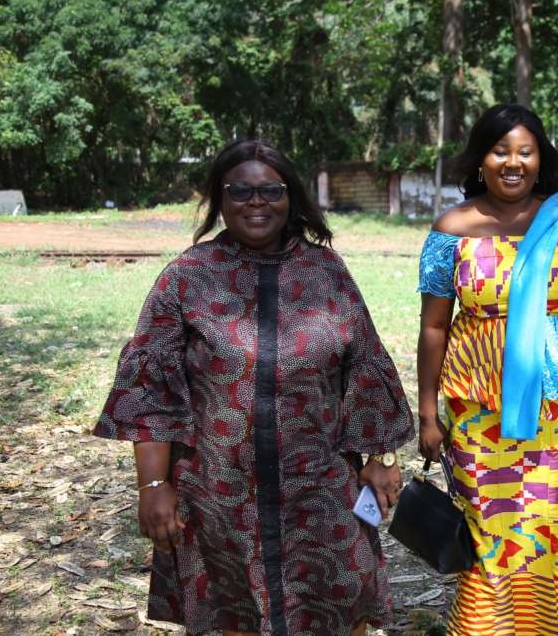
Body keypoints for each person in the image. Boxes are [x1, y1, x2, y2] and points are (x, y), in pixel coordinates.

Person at [93, 140, 415, 636]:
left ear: (291, 198)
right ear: (219, 199)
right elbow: (151, 391)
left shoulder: (328, 273)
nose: (256, 201)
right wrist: (153, 486)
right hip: (220, 493)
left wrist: (382, 459)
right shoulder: (187, 277)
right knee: (236, 615)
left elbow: (368, 370)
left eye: (271, 189)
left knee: (337, 607)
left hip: (322, 487)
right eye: (240, 189)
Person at [416, 104, 558, 635]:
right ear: (480, 158)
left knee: (555, 527)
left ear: (540, 158)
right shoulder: (452, 229)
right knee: (489, 529)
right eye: (500, 150)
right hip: (477, 408)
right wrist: (428, 414)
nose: (513, 162)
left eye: (525, 152)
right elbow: (434, 326)